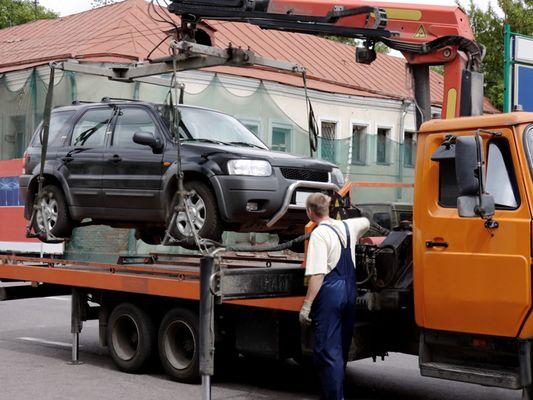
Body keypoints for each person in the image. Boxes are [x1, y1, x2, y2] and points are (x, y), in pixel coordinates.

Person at [299, 193, 370, 400]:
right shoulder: (348, 226)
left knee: (328, 353)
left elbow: (318, 275)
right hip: (349, 291)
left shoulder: (319, 234)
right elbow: (365, 221)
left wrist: (306, 306)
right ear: (328, 209)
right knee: (341, 347)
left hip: (330, 293)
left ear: (310, 212)